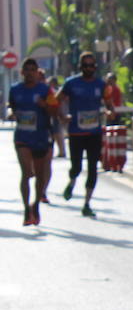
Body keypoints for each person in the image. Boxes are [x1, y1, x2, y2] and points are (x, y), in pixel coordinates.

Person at [59, 52, 113, 217]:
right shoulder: (71, 83)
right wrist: (63, 116)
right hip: (76, 132)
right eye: (85, 66)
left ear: (95, 67)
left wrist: (109, 111)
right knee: (76, 166)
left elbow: (109, 103)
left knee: (92, 169)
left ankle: (87, 203)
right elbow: (56, 100)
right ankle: (72, 181)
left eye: (91, 65)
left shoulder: (101, 85)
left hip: (94, 133)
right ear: (80, 67)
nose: (89, 68)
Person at [9, 58, 56, 226]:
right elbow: (11, 106)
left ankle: (35, 204)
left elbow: (54, 110)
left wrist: (44, 105)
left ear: (37, 72)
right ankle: (25, 209)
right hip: (22, 137)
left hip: (40, 138)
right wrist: (11, 113)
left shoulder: (45, 90)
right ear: (22, 72)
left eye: (32, 70)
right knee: (26, 173)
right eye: (26, 70)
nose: (29, 73)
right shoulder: (15, 90)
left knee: (40, 176)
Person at [45, 71, 66, 159]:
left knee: (57, 133)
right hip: (56, 114)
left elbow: (57, 104)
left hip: (56, 114)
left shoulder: (54, 91)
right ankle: (60, 151)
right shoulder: (55, 91)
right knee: (55, 133)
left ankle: (62, 151)